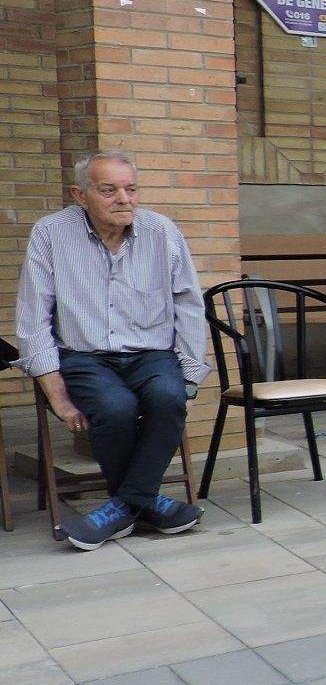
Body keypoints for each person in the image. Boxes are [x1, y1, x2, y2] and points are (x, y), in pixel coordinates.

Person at [14, 150, 207, 550]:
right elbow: (33, 319)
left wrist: (188, 374)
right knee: (115, 407)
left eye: (131, 188)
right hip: (84, 356)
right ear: (80, 194)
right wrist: (59, 397)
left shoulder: (161, 231)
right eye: (109, 190)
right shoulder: (50, 233)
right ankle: (149, 503)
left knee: (169, 397)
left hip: (152, 354)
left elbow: (189, 304)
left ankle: (120, 508)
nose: (124, 199)